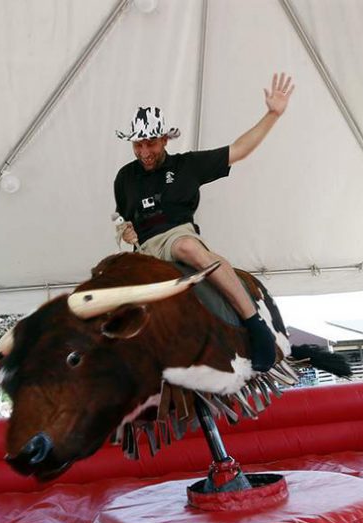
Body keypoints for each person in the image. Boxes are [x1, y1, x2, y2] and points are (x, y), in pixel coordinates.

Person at [113, 73, 295, 372]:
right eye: (138, 145)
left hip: (175, 237)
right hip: (144, 249)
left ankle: (255, 324)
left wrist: (272, 114)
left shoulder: (186, 166)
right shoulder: (124, 177)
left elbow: (238, 150)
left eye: (151, 144)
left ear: (164, 139)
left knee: (187, 247)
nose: (144, 152)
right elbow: (123, 218)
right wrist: (125, 231)